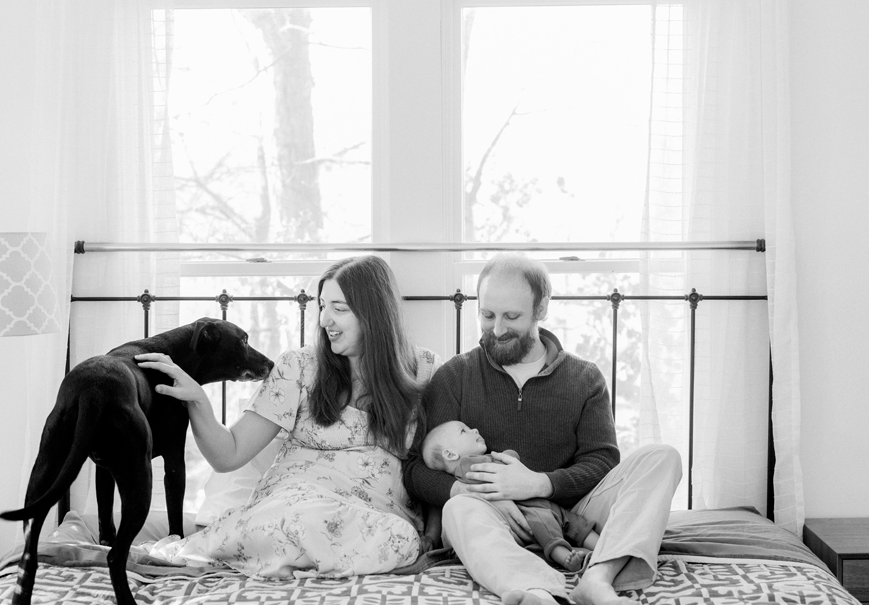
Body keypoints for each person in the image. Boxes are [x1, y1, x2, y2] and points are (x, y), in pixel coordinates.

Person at [137, 255, 441, 579]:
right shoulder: (298, 366)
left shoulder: (425, 369)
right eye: (322, 307)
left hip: (373, 518)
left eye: (339, 309)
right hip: (293, 505)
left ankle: (297, 559)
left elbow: (437, 467)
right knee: (302, 515)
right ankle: (292, 555)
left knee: (401, 539)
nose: (325, 321)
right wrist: (198, 402)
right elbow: (228, 454)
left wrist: (433, 536)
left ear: (376, 313)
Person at [403, 254, 682, 605]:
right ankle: (537, 592)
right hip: (492, 519)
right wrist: (470, 491)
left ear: (541, 308)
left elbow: (602, 461)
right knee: (458, 511)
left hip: (574, 516)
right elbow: (415, 469)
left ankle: (599, 578)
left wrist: (540, 483)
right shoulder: (455, 376)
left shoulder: (585, 378)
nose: (498, 329)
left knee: (662, 457)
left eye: (512, 316)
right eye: (487, 315)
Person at [421, 420, 599, 572]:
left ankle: (599, 550)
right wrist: (508, 455)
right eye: (463, 431)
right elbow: (505, 462)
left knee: (569, 522)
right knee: (552, 526)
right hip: (527, 510)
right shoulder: (468, 466)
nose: (474, 430)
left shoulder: (478, 461)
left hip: (539, 502)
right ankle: (567, 556)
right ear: (450, 454)